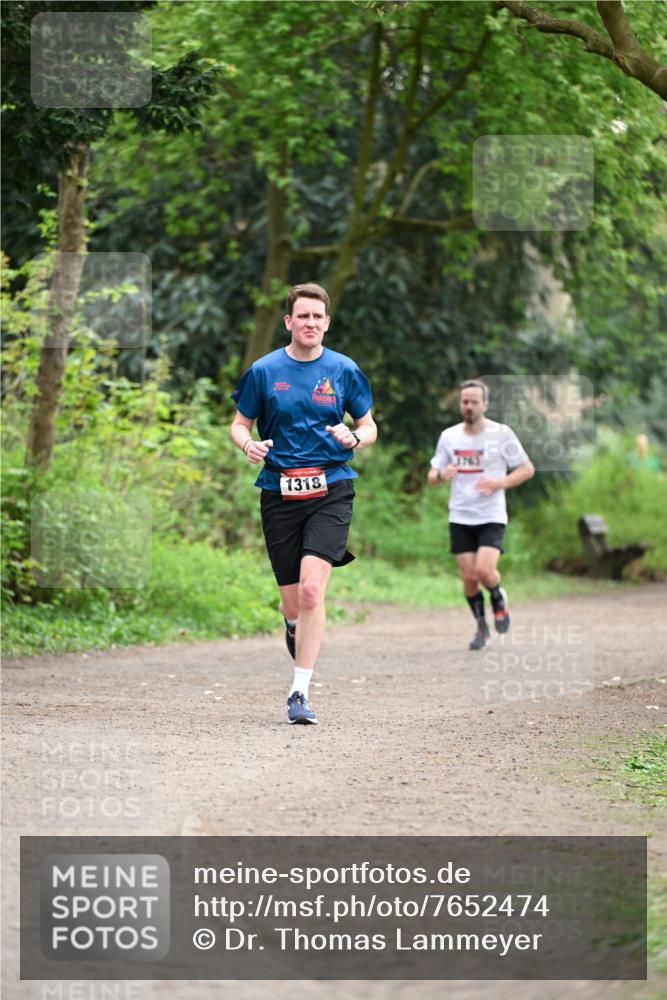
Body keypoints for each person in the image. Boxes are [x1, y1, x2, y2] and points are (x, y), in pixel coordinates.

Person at [230, 283, 376, 724]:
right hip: (279, 491)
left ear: (327, 323)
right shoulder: (263, 370)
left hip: (331, 486)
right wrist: (248, 445)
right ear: (289, 321)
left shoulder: (344, 370)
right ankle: (293, 626)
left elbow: (368, 426)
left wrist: (354, 437)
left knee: (314, 591)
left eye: (318, 317)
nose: (311, 323)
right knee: (293, 603)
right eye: (303, 316)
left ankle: (298, 693)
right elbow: (239, 424)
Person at [427, 379, 534, 650]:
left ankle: (498, 597)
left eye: (475, 402)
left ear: (485, 404)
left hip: (491, 514)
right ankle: (481, 627)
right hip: (460, 515)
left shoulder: (502, 434)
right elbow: (432, 476)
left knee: (485, 571)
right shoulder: (449, 437)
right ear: (460, 405)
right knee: (469, 578)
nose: (469, 406)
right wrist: (442, 475)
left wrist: (500, 483)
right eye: (465, 402)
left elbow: (526, 469)